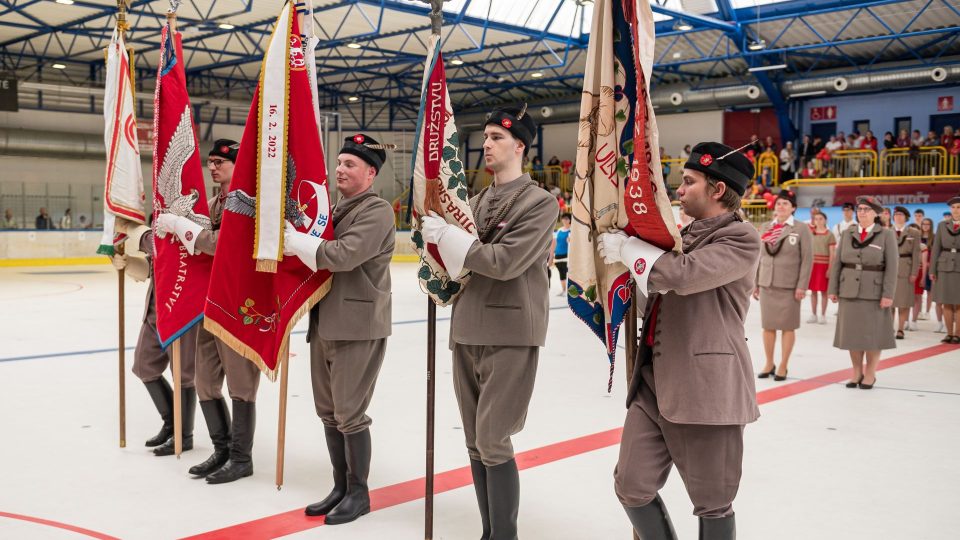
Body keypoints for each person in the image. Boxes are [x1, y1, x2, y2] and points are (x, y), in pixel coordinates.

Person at [598, 142, 760, 539]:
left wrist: (632, 249)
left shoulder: (741, 238)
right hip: (654, 380)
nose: (679, 189)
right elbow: (655, 291)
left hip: (707, 388)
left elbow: (683, 276)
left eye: (689, 182)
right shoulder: (677, 238)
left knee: (712, 500)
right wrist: (627, 266)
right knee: (631, 484)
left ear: (717, 189)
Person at [421, 105, 558, 539]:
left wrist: (451, 237)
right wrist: (433, 242)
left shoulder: (540, 203)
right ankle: (488, 531)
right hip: (467, 328)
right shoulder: (475, 202)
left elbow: (504, 262)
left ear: (520, 145)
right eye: (485, 136)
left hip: (511, 332)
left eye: (498, 137)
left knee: (494, 439)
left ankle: (504, 535)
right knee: (475, 442)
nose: (487, 143)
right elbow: (458, 264)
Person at [283, 134, 396, 524]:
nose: (340, 169)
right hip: (326, 322)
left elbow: (344, 256)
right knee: (328, 412)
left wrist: (298, 242)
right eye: (339, 162)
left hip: (358, 326)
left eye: (351, 164)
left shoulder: (377, 211)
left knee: (350, 414)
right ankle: (340, 486)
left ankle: (359, 494)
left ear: (370, 173)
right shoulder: (334, 210)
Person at [156, 139, 263, 484]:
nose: (213, 167)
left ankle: (241, 457)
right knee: (205, 381)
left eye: (221, 161)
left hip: (236, 303)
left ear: (237, 165)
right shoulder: (212, 204)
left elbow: (221, 245)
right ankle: (222, 449)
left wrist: (183, 227)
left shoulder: (247, 203)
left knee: (241, 384)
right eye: (211, 161)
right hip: (208, 305)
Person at [112, 219, 201, 458]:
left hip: (181, 307)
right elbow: (154, 265)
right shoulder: (161, 212)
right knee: (144, 365)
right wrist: (129, 263)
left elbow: (164, 248)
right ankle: (172, 423)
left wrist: (134, 230)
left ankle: (184, 434)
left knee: (183, 374)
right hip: (156, 308)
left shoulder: (188, 217)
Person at [828, 195, 898, 390]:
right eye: (860, 209)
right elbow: (838, 264)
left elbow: (892, 267)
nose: (862, 213)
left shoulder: (886, 235)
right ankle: (856, 372)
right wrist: (833, 289)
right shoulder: (848, 233)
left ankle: (870, 373)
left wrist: (888, 294)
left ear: (876, 213)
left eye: (866, 209)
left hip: (874, 292)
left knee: (872, 335)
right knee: (852, 335)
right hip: (848, 289)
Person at [753, 189, 812, 380]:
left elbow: (807, 260)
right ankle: (769, 363)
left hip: (789, 285)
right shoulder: (766, 227)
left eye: (786, 203)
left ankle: (783, 365)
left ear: (793, 208)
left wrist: (802, 285)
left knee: (788, 327)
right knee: (768, 326)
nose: (781, 206)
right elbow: (760, 257)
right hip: (767, 283)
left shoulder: (801, 228)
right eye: (779, 203)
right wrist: (755, 283)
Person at [929, 195, 960, 344]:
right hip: (944, 266)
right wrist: (932, 270)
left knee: (959, 303)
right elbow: (936, 249)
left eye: (958, 207)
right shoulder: (942, 225)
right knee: (946, 302)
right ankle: (949, 333)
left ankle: (958, 334)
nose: (955, 210)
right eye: (953, 207)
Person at [891, 206, 922, 337]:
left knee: (904, 302)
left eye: (901, 215)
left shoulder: (914, 233)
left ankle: (900, 329)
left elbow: (916, 253)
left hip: (906, 269)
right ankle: (889, 328)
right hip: (890, 269)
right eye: (896, 214)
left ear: (906, 217)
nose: (898, 217)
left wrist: (914, 272)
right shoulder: (886, 231)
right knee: (889, 302)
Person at [807, 211, 836, 324]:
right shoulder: (811, 233)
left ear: (825, 220)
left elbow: (832, 253)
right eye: (816, 219)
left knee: (824, 291)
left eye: (820, 219)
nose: (818, 221)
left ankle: (823, 315)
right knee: (813, 291)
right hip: (813, 265)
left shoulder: (830, 234)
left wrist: (830, 268)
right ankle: (813, 314)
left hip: (824, 265)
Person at [915, 217, 935, 325]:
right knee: (919, 291)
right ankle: (919, 311)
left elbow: (935, 252)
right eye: (924, 224)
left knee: (929, 290)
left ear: (931, 226)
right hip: (919, 266)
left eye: (928, 224)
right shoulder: (917, 237)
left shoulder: (934, 237)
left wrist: (930, 264)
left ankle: (927, 312)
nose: (926, 226)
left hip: (930, 267)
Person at [553, 213, 571, 296]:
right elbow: (554, 243)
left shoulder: (571, 230)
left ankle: (569, 291)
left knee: (566, 272)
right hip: (557, 255)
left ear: (570, 220)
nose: (564, 220)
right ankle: (564, 290)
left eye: (566, 219)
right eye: (563, 218)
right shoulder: (559, 230)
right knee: (561, 272)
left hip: (566, 255)